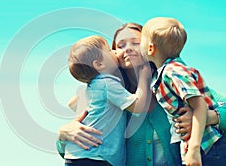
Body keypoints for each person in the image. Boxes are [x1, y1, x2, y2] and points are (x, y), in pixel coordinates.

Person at [57, 22, 226, 166]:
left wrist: (206, 118)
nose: (128, 49)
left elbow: (215, 107)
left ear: (151, 47)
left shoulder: (173, 85)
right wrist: (63, 136)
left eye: (135, 43)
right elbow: (80, 151)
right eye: (120, 45)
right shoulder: (114, 98)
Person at [140, 17, 226, 165]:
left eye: (140, 40)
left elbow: (200, 106)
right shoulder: (163, 74)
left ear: (150, 48)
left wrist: (193, 148)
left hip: (208, 147)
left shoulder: (173, 72)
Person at [63, 35, 151, 166]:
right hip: (95, 156)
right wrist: (144, 78)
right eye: (110, 50)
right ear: (99, 64)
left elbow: (72, 104)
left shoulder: (94, 84)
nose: (115, 52)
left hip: (78, 155)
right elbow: (137, 107)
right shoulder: (107, 83)